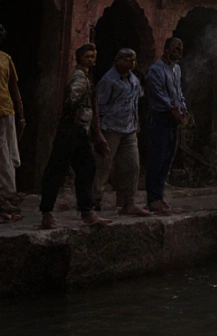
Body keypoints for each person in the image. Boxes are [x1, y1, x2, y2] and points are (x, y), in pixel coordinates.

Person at [39, 44, 112, 228]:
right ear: (79, 58)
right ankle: (47, 213)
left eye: (93, 56)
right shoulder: (79, 78)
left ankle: (87, 211)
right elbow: (73, 98)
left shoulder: (86, 77)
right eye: (87, 56)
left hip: (80, 130)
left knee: (86, 168)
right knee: (57, 170)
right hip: (71, 129)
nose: (91, 60)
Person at [94, 49, 151, 217]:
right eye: (127, 59)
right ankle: (93, 200)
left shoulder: (133, 79)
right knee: (103, 165)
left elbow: (135, 102)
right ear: (117, 60)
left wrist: (136, 123)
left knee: (132, 166)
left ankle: (128, 202)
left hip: (129, 129)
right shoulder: (108, 81)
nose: (131, 63)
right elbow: (99, 106)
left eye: (133, 60)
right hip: (110, 128)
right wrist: (98, 132)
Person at [144, 37, 188, 216]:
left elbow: (178, 93)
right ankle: (152, 198)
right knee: (157, 157)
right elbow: (158, 94)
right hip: (161, 117)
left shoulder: (176, 69)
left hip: (173, 118)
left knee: (168, 157)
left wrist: (183, 109)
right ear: (167, 49)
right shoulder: (156, 70)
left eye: (180, 49)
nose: (179, 52)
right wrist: (172, 108)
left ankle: (160, 196)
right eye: (175, 49)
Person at [0, 24, 26, 223]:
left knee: (6, 152)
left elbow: (14, 88)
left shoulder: (5, 59)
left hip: (5, 111)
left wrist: (21, 115)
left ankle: (6, 194)